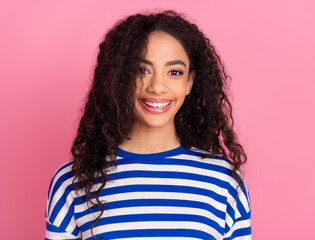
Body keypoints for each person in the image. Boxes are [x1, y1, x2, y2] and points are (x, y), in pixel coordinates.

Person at [45, 10, 251, 240]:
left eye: (174, 72)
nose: (157, 86)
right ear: (120, 78)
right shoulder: (73, 182)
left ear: (189, 83)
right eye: (142, 70)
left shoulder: (224, 181)